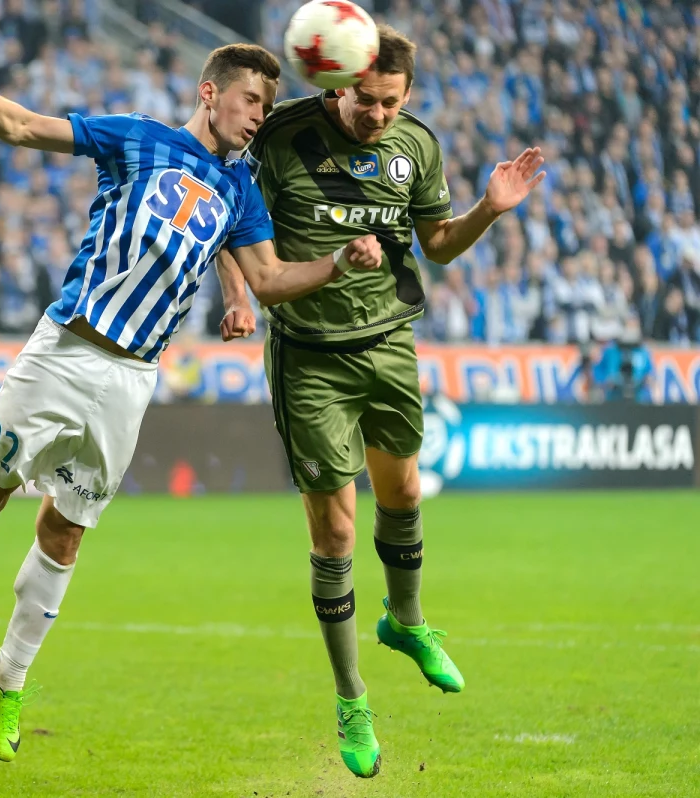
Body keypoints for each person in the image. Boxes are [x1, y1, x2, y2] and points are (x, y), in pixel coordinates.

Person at [0, 45, 383, 762]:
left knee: (66, 533)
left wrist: (336, 263)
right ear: (211, 93)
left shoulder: (241, 191)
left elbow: (270, 278)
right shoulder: (139, 138)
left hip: (131, 380)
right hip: (64, 349)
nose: (259, 119)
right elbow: (25, 127)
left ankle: (8, 679)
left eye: (269, 109)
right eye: (252, 103)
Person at [219, 25, 545, 778]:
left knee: (402, 494)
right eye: (366, 100)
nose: (377, 115)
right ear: (339, 84)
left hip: (391, 343)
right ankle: (351, 697)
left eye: (390, 103)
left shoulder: (417, 147)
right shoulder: (281, 136)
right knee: (335, 532)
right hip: (309, 355)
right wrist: (237, 295)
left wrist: (490, 209)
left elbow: (436, 244)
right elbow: (229, 220)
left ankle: (406, 620)